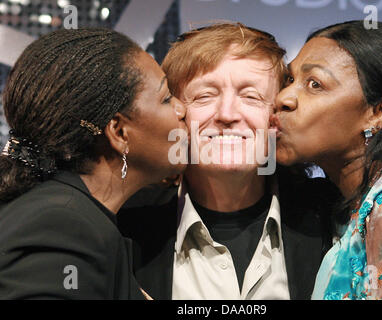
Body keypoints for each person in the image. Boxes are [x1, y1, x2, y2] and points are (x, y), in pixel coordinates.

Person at [117, 23, 338, 300]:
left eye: (251, 96)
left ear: (276, 116)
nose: (227, 114)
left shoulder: (333, 219)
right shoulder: (123, 226)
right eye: (204, 96)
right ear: (176, 113)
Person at [0, 28, 187, 299]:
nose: (182, 109)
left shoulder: (57, 210)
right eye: (167, 98)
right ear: (120, 133)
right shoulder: (64, 227)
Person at [273, 20, 382, 300]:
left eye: (314, 84)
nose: (284, 98)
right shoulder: (347, 207)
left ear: (379, 112)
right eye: (289, 81)